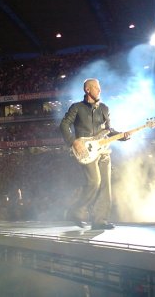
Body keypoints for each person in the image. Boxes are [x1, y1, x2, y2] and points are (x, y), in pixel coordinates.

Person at [60, 78, 129, 230]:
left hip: (103, 150)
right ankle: (76, 210)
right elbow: (64, 124)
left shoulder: (104, 108)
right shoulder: (76, 107)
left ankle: (100, 221)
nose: (100, 90)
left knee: (105, 185)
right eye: (97, 88)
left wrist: (122, 136)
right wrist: (74, 141)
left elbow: (109, 130)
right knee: (94, 182)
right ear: (88, 90)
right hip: (85, 150)